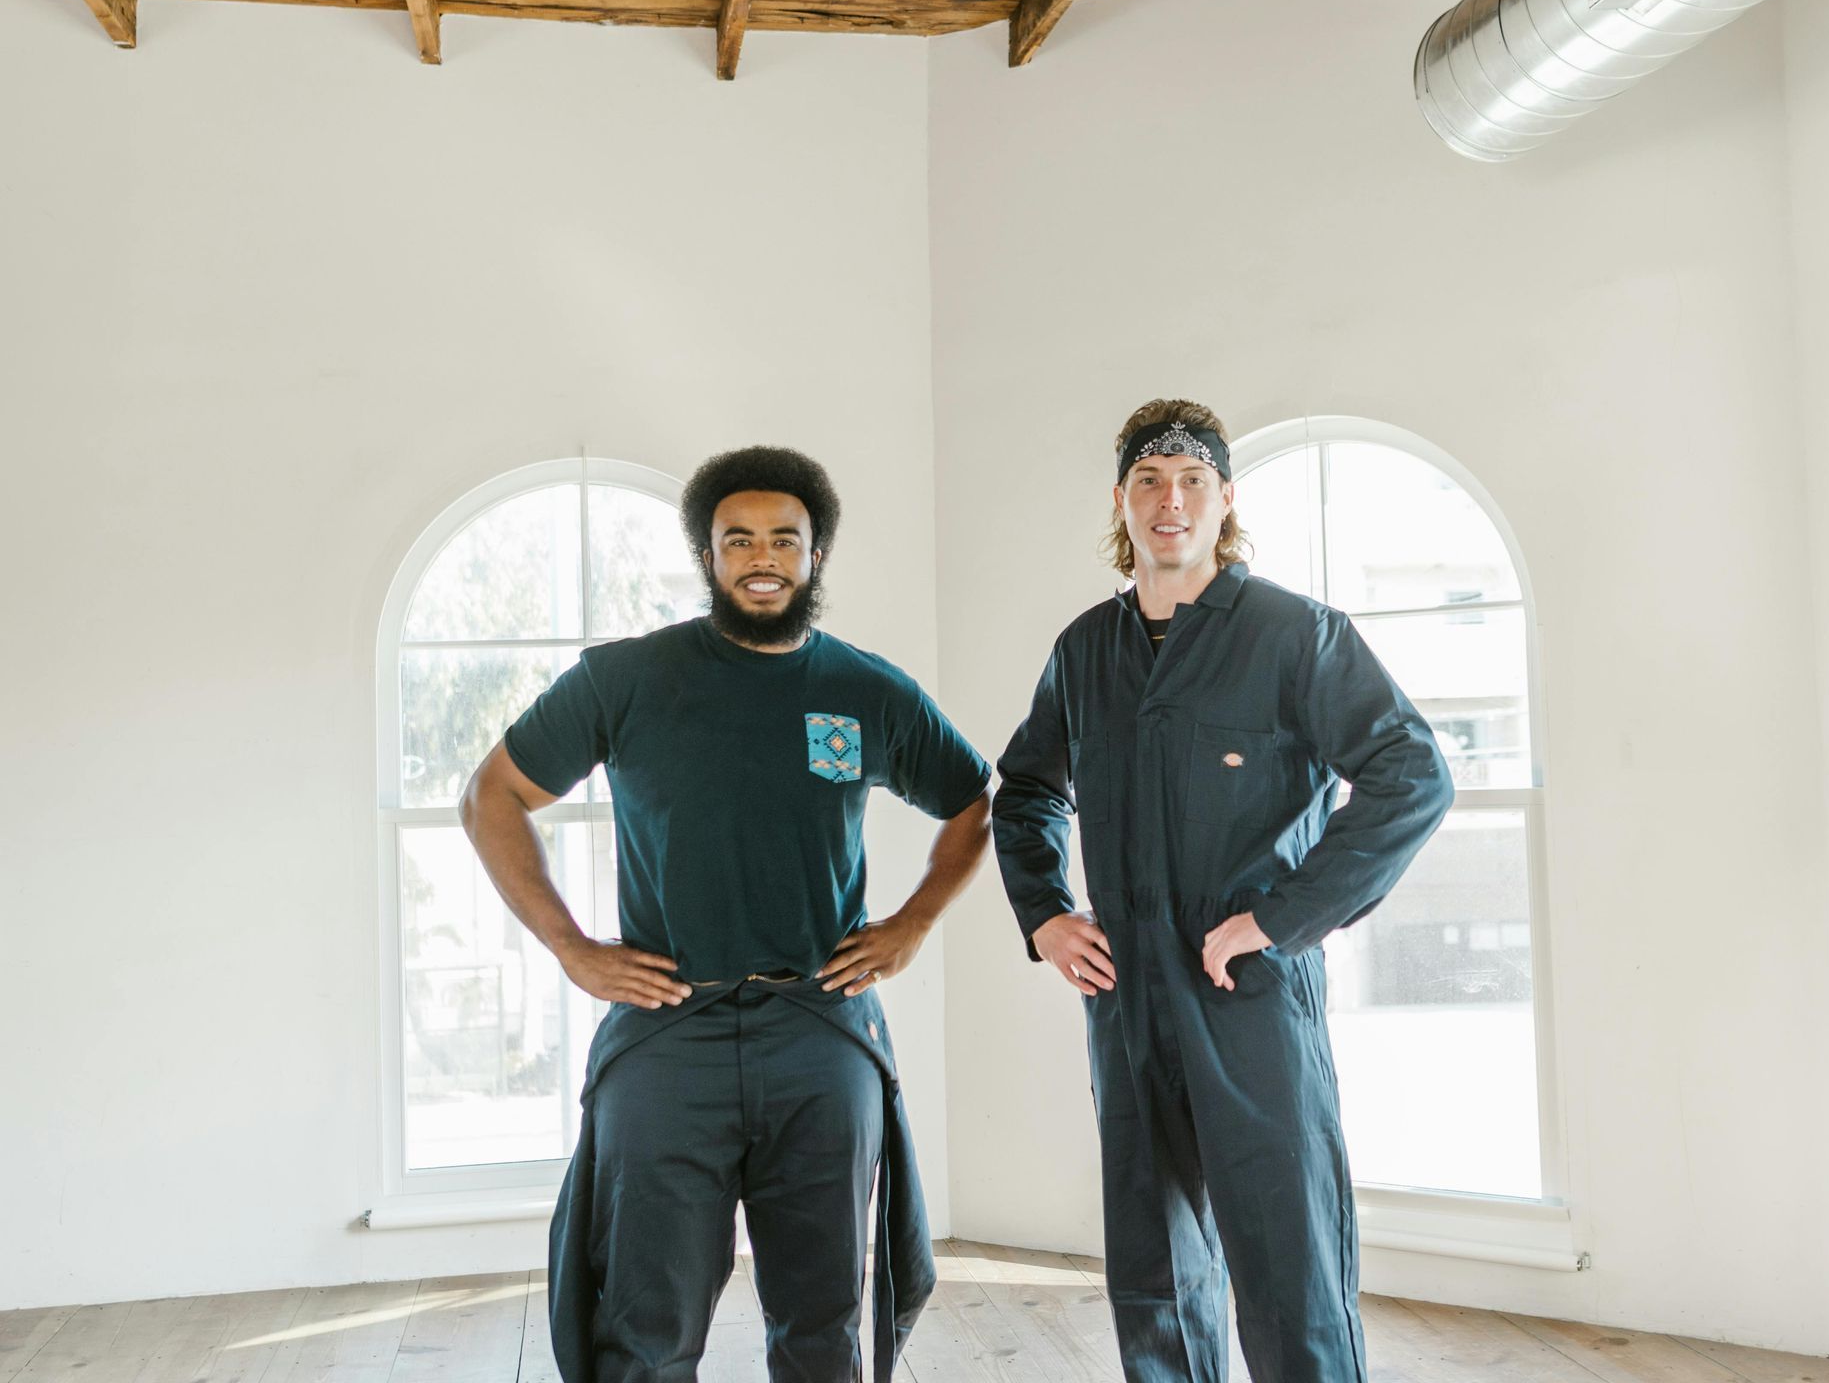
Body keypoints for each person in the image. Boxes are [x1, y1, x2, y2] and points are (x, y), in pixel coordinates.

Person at [459, 446, 991, 1383]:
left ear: (815, 555)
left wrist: (912, 924)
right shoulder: (624, 682)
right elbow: (491, 794)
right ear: (707, 556)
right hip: (668, 1033)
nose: (762, 557)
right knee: (646, 1326)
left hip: (820, 1030)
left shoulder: (865, 691)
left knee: (825, 1325)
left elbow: (977, 802)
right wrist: (571, 947)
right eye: (737, 539)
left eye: (784, 539)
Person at [992, 400, 1454, 1383]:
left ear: (1224, 498)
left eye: (1192, 480)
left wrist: (1282, 919)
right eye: (1150, 480)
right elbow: (1028, 788)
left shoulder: (1294, 636)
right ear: (1122, 500)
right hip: (1129, 1007)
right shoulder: (1085, 652)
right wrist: (1045, 915)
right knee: (1155, 1278)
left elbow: (1412, 773)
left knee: (1290, 1271)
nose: (1171, 500)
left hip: (1247, 1002)